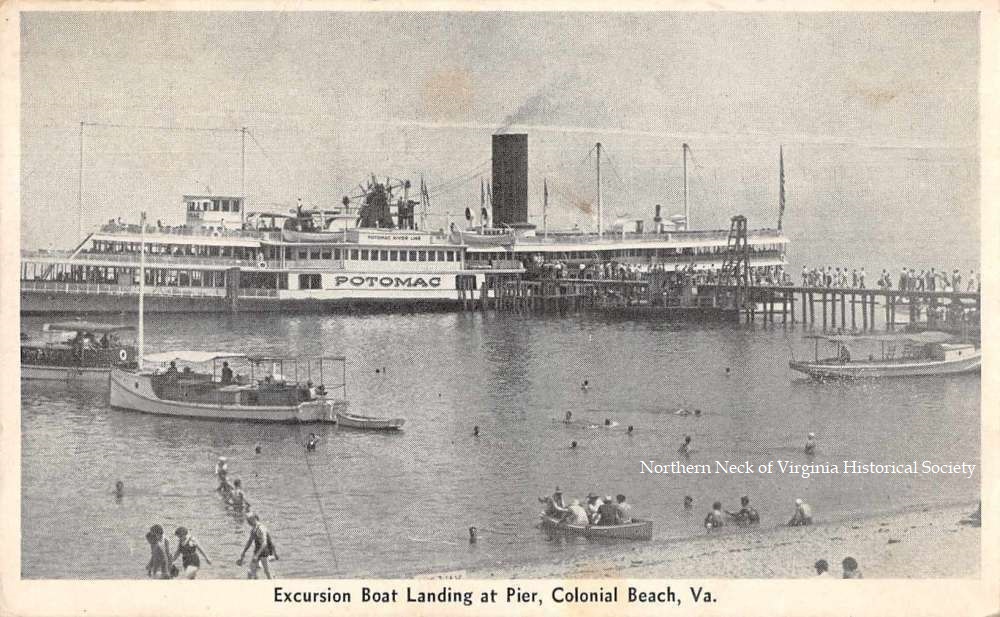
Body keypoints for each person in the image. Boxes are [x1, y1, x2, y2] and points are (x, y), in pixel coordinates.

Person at [238, 513, 277, 579]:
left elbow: (264, 543)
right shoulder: (254, 529)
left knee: (267, 572)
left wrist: (256, 555)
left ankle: (272, 584)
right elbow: (249, 541)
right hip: (257, 552)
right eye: (247, 521)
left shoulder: (261, 529)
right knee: (251, 572)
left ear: (254, 519)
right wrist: (244, 552)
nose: (248, 523)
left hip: (264, 553)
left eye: (249, 521)